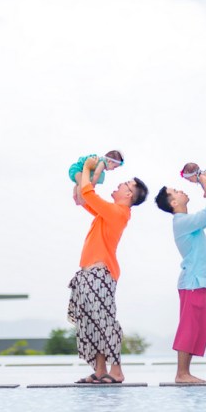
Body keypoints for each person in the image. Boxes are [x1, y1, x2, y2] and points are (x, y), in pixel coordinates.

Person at [68, 155, 148, 383]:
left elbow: (88, 194)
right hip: (89, 273)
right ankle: (100, 369)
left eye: (125, 184)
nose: (120, 184)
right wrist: (91, 173)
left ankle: (117, 370)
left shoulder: (117, 213)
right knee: (91, 323)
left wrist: (87, 167)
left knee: (104, 322)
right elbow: (82, 198)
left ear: (129, 194)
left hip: (99, 274)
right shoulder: (109, 212)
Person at [155, 171, 206, 383]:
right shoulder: (181, 221)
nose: (181, 190)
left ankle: (185, 373)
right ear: (174, 202)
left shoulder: (188, 221)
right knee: (189, 328)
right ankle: (181, 374)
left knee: (197, 329)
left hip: (198, 282)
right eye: (176, 191)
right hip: (193, 282)